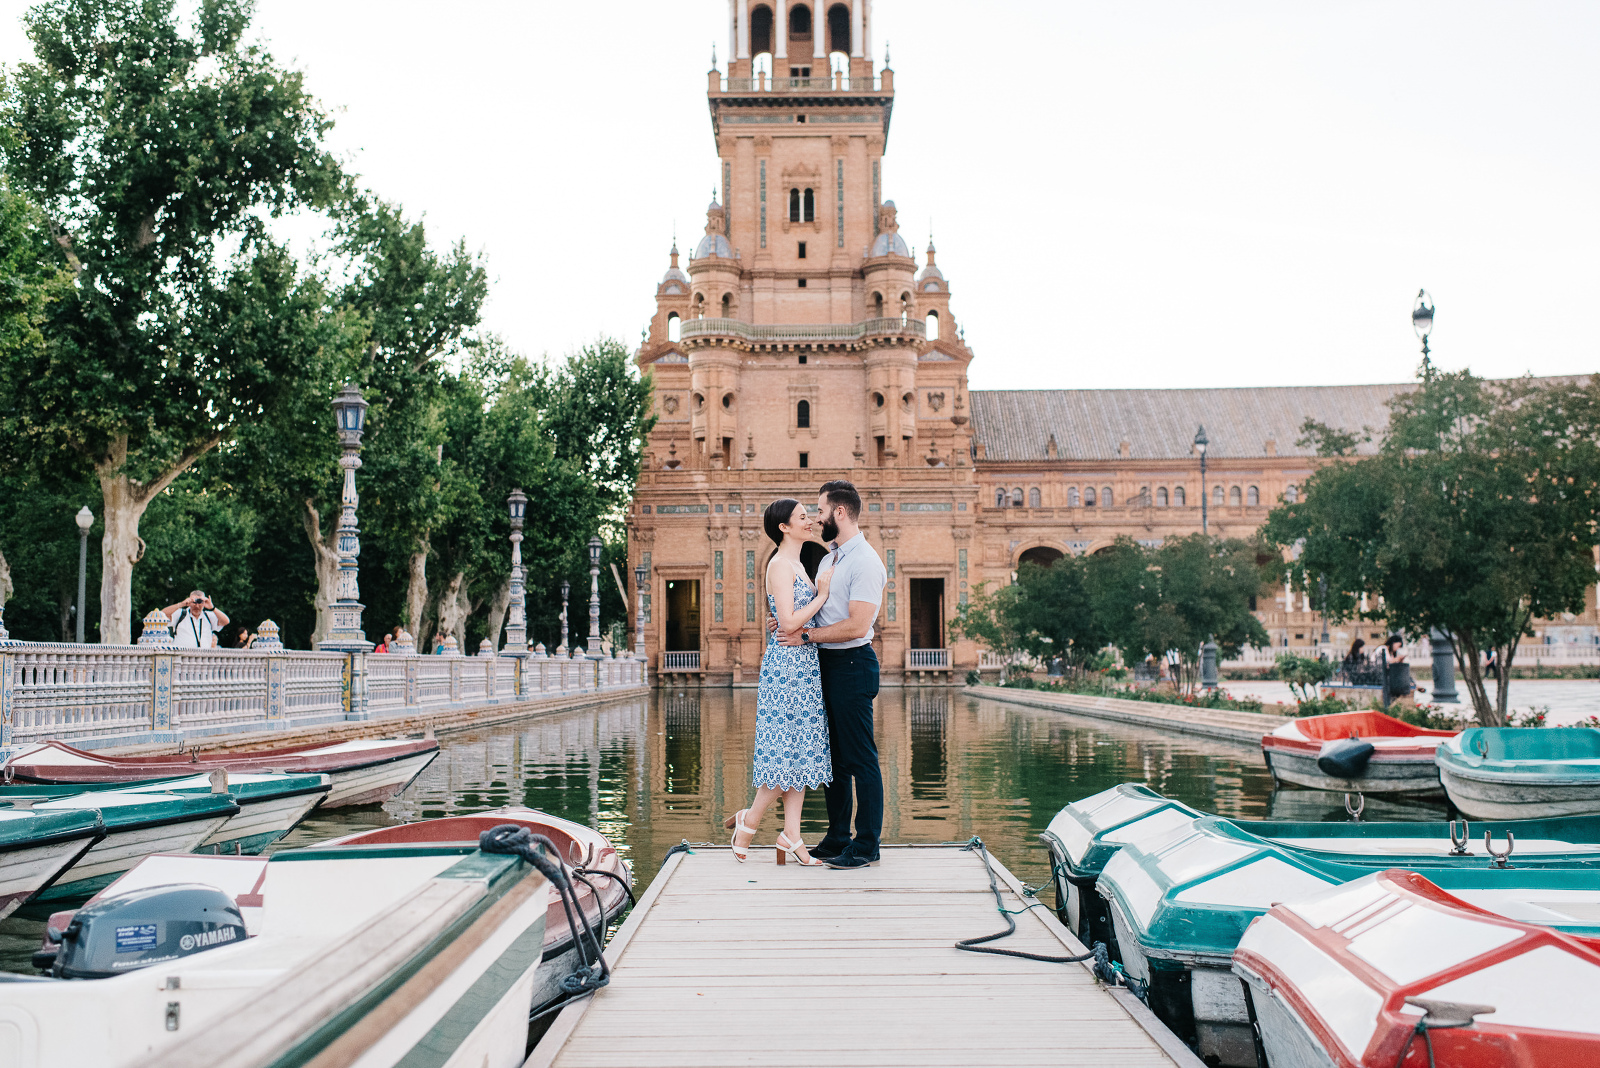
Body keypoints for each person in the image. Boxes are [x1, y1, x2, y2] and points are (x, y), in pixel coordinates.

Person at [773, 480, 888, 870]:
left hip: (854, 664)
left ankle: (867, 843)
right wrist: (788, 620)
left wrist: (804, 634)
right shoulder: (828, 560)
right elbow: (816, 610)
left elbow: (856, 625)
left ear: (839, 512)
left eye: (820, 511)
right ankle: (837, 836)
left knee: (860, 758)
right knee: (833, 759)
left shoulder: (866, 562)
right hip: (825, 665)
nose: (816, 519)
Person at [724, 499, 835, 866]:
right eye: (803, 517)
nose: (811, 522)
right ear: (784, 527)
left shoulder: (799, 565)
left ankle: (791, 835)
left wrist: (794, 617)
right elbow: (788, 623)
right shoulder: (778, 565)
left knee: (799, 753)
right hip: (787, 668)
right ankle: (751, 818)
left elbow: (786, 618)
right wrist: (821, 597)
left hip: (804, 665)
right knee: (783, 751)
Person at [164, 591, 229, 650]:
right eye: (194, 603)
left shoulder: (208, 616)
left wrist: (212, 607)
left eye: (200, 603)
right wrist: (181, 604)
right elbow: (162, 614)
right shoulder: (181, 614)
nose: (197, 606)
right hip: (182, 657)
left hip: (203, 657)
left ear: (204, 603)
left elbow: (226, 621)